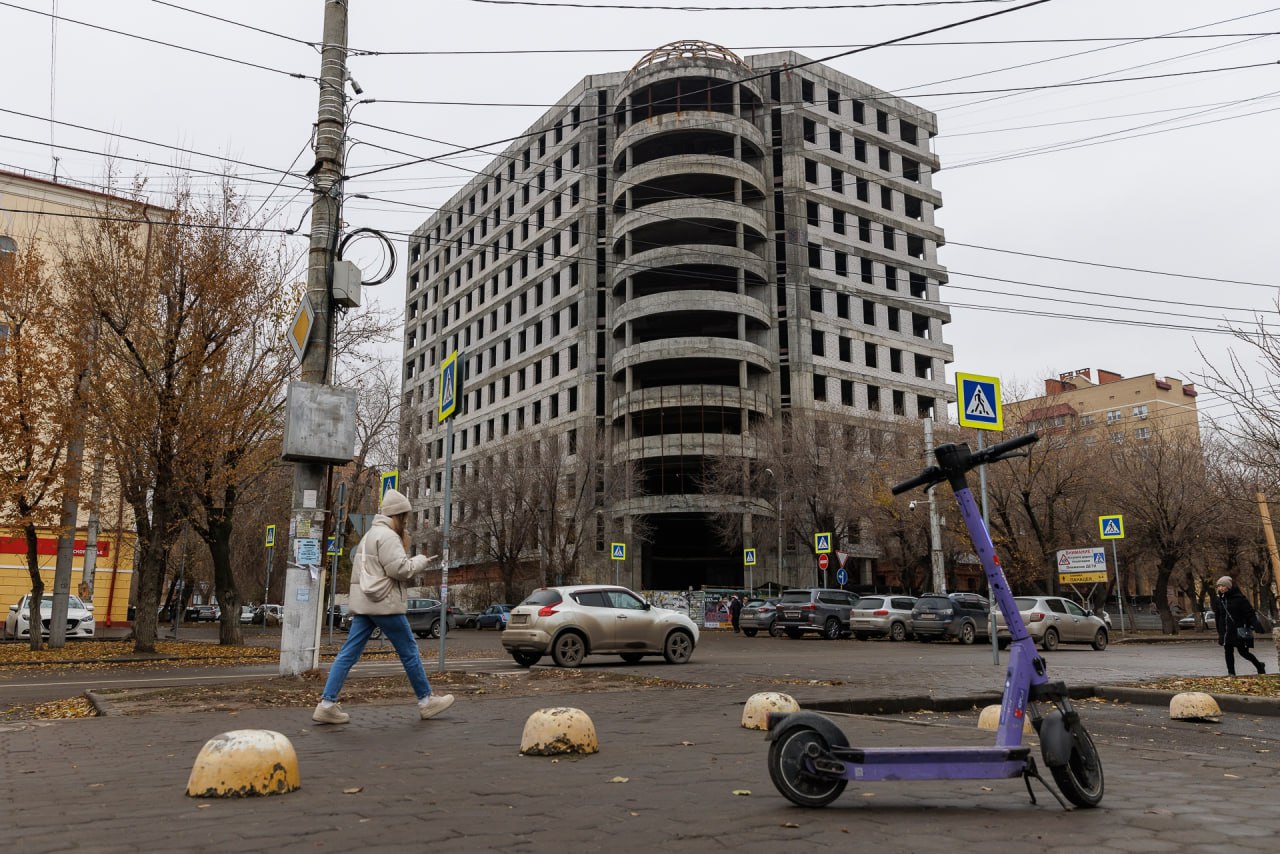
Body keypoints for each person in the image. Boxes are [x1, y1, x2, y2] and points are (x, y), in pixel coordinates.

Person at [313, 488, 455, 724]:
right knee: (409, 650)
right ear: (398, 516)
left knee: (348, 653)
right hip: (384, 603)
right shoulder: (388, 536)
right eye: (405, 517)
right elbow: (399, 569)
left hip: (367, 602)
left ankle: (327, 703)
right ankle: (426, 701)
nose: (406, 522)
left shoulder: (369, 535)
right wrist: (419, 561)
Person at [1212, 575, 1266, 677]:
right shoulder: (1219, 600)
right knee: (1228, 651)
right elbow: (1218, 616)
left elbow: (1249, 613)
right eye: (1219, 586)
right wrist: (1220, 631)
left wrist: (1256, 624)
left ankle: (1259, 665)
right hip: (1226, 632)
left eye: (1223, 586)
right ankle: (1231, 673)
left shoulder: (1240, 598)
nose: (1220, 588)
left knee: (1243, 652)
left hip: (1238, 630)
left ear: (1229, 586)